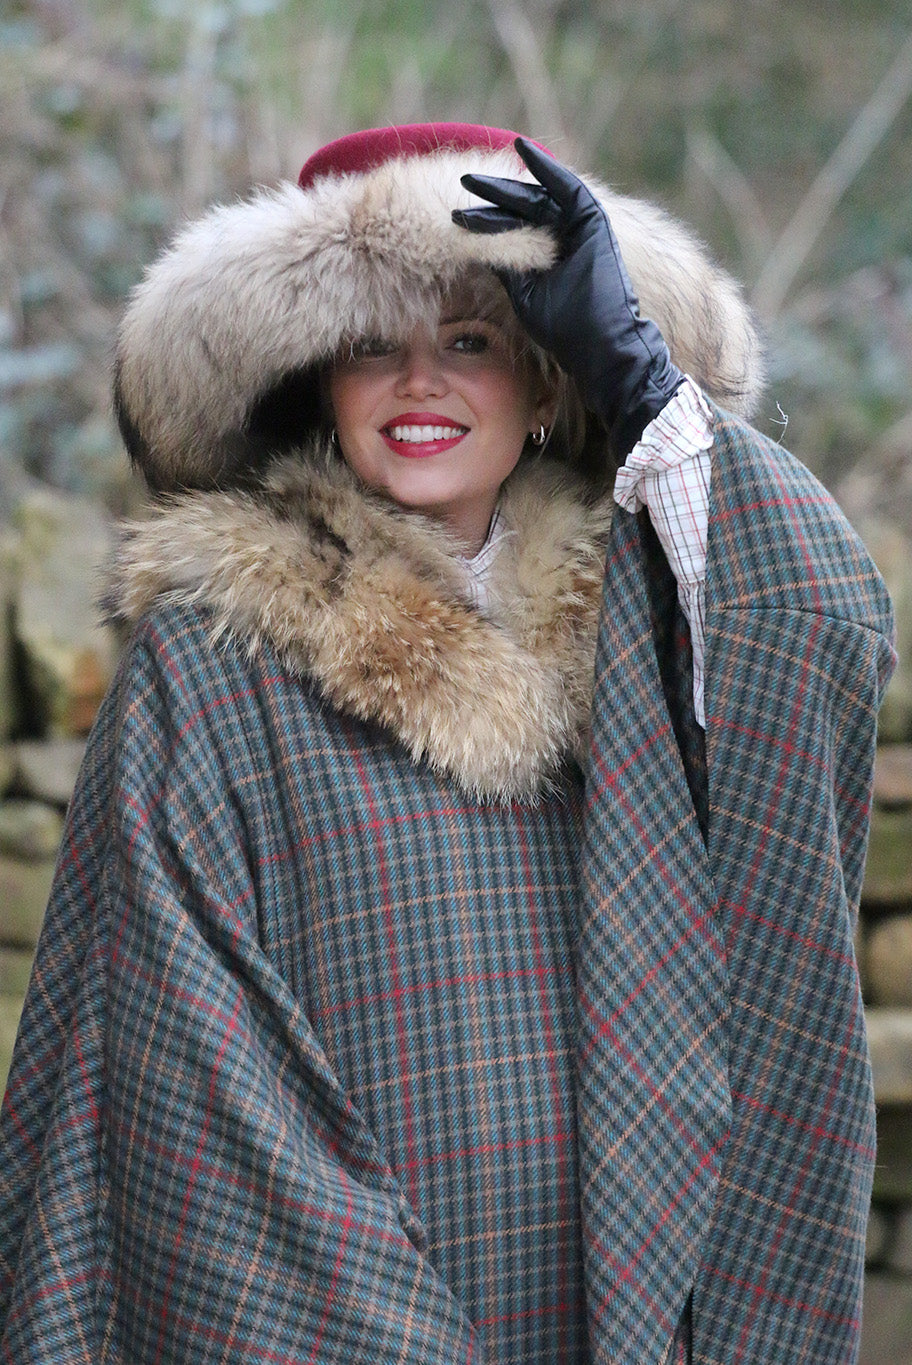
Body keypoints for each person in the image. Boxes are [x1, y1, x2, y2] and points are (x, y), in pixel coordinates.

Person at [0, 122, 895, 1365]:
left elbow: (819, 643)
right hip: (350, 1305)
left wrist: (639, 374)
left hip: (627, 1307)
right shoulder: (215, 659)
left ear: (544, 384)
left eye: (472, 341)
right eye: (371, 346)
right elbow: (188, 1068)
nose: (421, 382)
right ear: (320, 383)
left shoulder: (655, 630)